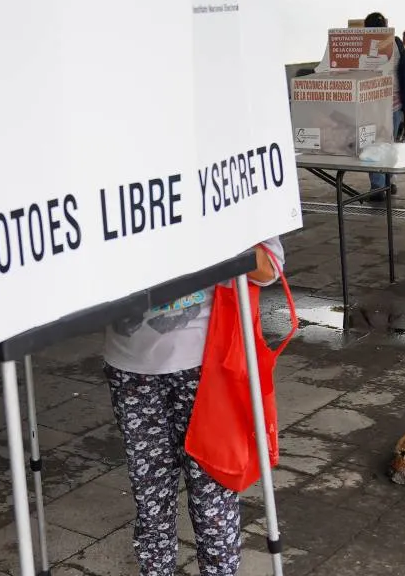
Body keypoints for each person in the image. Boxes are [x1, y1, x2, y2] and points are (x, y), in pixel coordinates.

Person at [105, 239, 285, 576]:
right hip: (130, 365)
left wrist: (218, 231)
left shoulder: (232, 204)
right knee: (150, 497)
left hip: (206, 366)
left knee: (213, 496)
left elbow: (268, 268)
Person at [362, 12, 405, 198]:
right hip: (395, 103)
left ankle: (378, 187)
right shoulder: (395, 41)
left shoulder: (365, 45)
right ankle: (390, 182)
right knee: (389, 143)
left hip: (374, 103)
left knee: (373, 145)